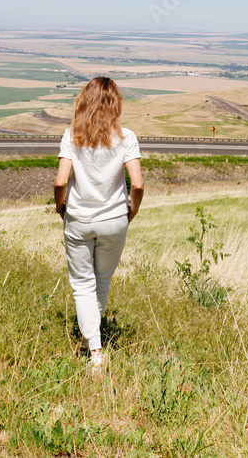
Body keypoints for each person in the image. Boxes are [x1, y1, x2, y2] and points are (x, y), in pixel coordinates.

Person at [53, 76, 143, 373]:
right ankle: (89, 341)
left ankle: (94, 351)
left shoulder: (72, 136)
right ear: (115, 103)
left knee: (82, 284)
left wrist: (59, 207)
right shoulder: (127, 137)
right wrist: (131, 212)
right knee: (101, 281)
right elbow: (138, 184)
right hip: (115, 220)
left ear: (83, 101)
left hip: (78, 219)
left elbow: (61, 181)